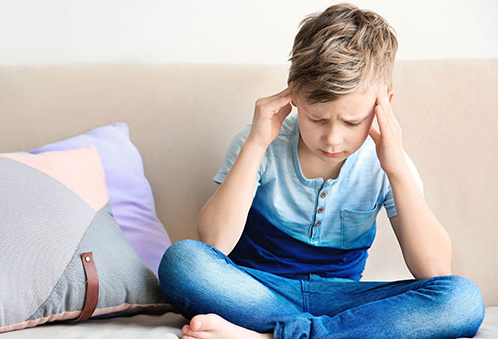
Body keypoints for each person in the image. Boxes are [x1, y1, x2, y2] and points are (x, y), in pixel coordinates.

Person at [157, 3, 485, 339]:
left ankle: (272, 336)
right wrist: (255, 146)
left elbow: (434, 271)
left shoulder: (387, 163)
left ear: (383, 103)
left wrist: (396, 168)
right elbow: (214, 244)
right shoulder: (260, 144)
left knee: (462, 299)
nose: (332, 138)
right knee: (182, 261)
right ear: (295, 95)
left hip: (343, 300)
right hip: (260, 289)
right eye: (317, 119)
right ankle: (326, 334)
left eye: (352, 122)